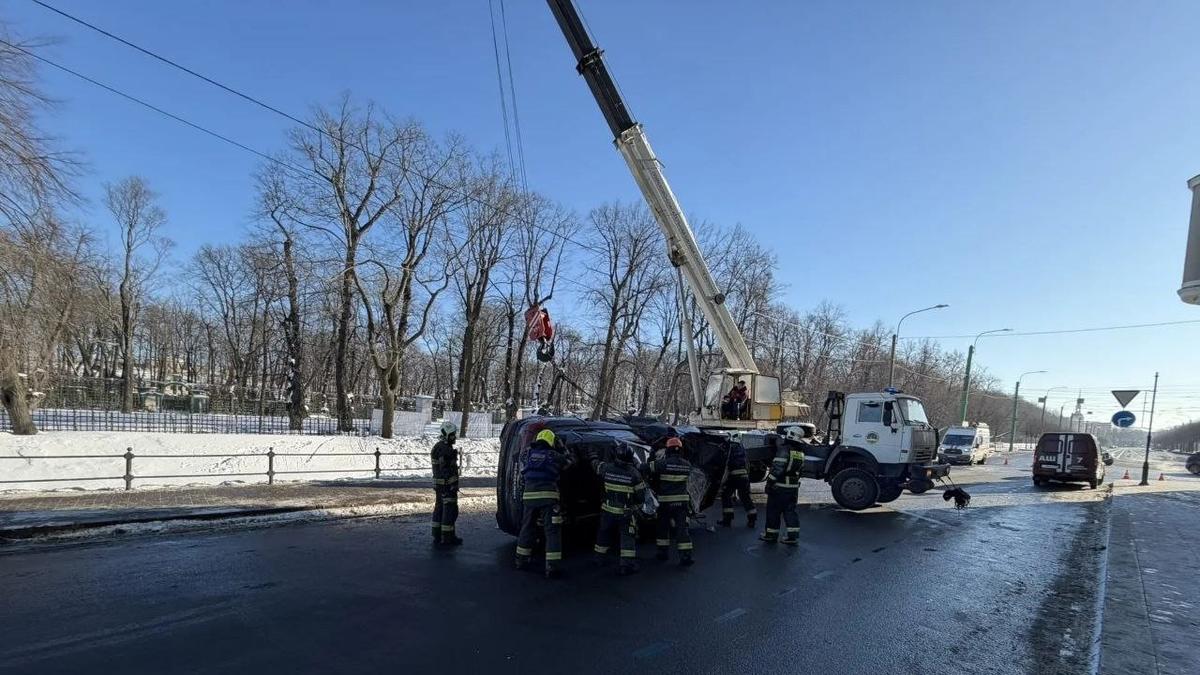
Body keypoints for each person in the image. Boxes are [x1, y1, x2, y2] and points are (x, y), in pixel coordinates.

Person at [515, 428, 575, 578]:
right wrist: (562, 448)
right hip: (548, 498)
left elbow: (520, 459)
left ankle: (521, 560)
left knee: (527, 527)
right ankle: (551, 567)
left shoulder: (528, 454)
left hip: (528, 497)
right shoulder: (554, 455)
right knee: (552, 531)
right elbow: (570, 462)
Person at [590, 441, 647, 576]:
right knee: (627, 537)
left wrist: (592, 454)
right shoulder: (634, 474)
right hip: (625, 512)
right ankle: (626, 565)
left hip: (608, 509)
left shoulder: (606, 468)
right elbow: (641, 496)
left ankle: (598, 558)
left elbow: (595, 465)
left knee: (604, 534)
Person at [647, 436, 694, 566]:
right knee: (682, 529)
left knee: (663, 528)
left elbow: (646, 467)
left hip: (665, 503)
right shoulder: (687, 465)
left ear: (668, 450)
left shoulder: (662, 463)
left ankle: (662, 553)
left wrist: (652, 453)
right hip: (681, 503)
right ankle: (685, 556)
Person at [761, 433, 804, 546]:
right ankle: (792, 537)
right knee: (790, 511)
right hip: (793, 488)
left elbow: (777, 469)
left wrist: (769, 483)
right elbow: (800, 472)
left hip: (780, 487)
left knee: (773, 511)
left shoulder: (784, 450)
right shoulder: (800, 452)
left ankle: (771, 535)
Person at [431, 420, 462, 546]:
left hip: (439, 485)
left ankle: (437, 534)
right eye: (453, 434)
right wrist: (452, 484)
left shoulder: (438, 447)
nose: (455, 437)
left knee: (439, 508)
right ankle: (448, 537)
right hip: (447, 486)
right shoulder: (445, 449)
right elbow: (446, 469)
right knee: (449, 511)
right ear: (447, 434)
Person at [719, 440, 757, 528]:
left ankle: (727, 519)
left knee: (726, 495)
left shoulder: (729, 448)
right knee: (745, 497)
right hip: (744, 476)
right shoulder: (741, 448)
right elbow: (747, 463)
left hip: (732, 476)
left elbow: (725, 462)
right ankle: (752, 519)